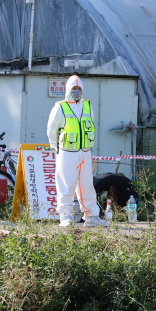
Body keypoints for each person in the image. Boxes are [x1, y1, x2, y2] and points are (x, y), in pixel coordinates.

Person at [46, 75, 106, 227]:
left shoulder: (87, 106)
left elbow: (90, 124)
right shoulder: (60, 107)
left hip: (85, 152)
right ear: (68, 90)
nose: (77, 92)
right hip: (66, 153)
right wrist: (57, 148)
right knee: (66, 185)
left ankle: (92, 216)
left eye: (79, 89)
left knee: (87, 185)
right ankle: (65, 217)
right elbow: (51, 131)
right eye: (74, 89)